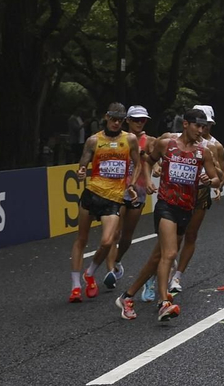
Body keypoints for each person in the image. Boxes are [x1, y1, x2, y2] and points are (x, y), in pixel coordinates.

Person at [117, 110, 215, 323]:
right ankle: (164, 303)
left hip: (186, 209)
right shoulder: (166, 144)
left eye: (203, 127)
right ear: (186, 124)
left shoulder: (203, 152)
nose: (201, 130)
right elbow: (148, 161)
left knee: (156, 258)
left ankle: (127, 296)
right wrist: (150, 180)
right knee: (169, 254)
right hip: (166, 205)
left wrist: (211, 180)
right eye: (197, 126)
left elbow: (217, 178)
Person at [70, 104, 139, 303]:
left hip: (114, 198)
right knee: (81, 239)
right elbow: (82, 165)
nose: (116, 123)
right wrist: (81, 171)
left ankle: (90, 273)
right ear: (106, 117)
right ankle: (75, 287)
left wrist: (132, 184)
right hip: (92, 194)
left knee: (108, 241)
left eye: (120, 120)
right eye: (113, 119)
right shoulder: (94, 140)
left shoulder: (130, 139)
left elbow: (137, 163)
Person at [167, 105, 224, 296]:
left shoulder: (214, 146)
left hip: (200, 194)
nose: (204, 128)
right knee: (173, 238)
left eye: (207, 124)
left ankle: (177, 276)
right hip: (177, 193)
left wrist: (216, 185)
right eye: (201, 124)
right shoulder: (175, 140)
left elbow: (221, 173)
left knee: (190, 235)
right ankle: (161, 272)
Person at [105, 105, 154, 292]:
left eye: (142, 120)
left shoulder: (149, 141)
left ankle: (117, 261)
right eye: (135, 120)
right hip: (117, 191)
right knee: (113, 234)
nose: (139, 123)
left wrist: (151, 172)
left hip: (138, 192)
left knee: (126, 237)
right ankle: (110, 272)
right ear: (128, 121)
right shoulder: (118, 138)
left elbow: (152, 161)